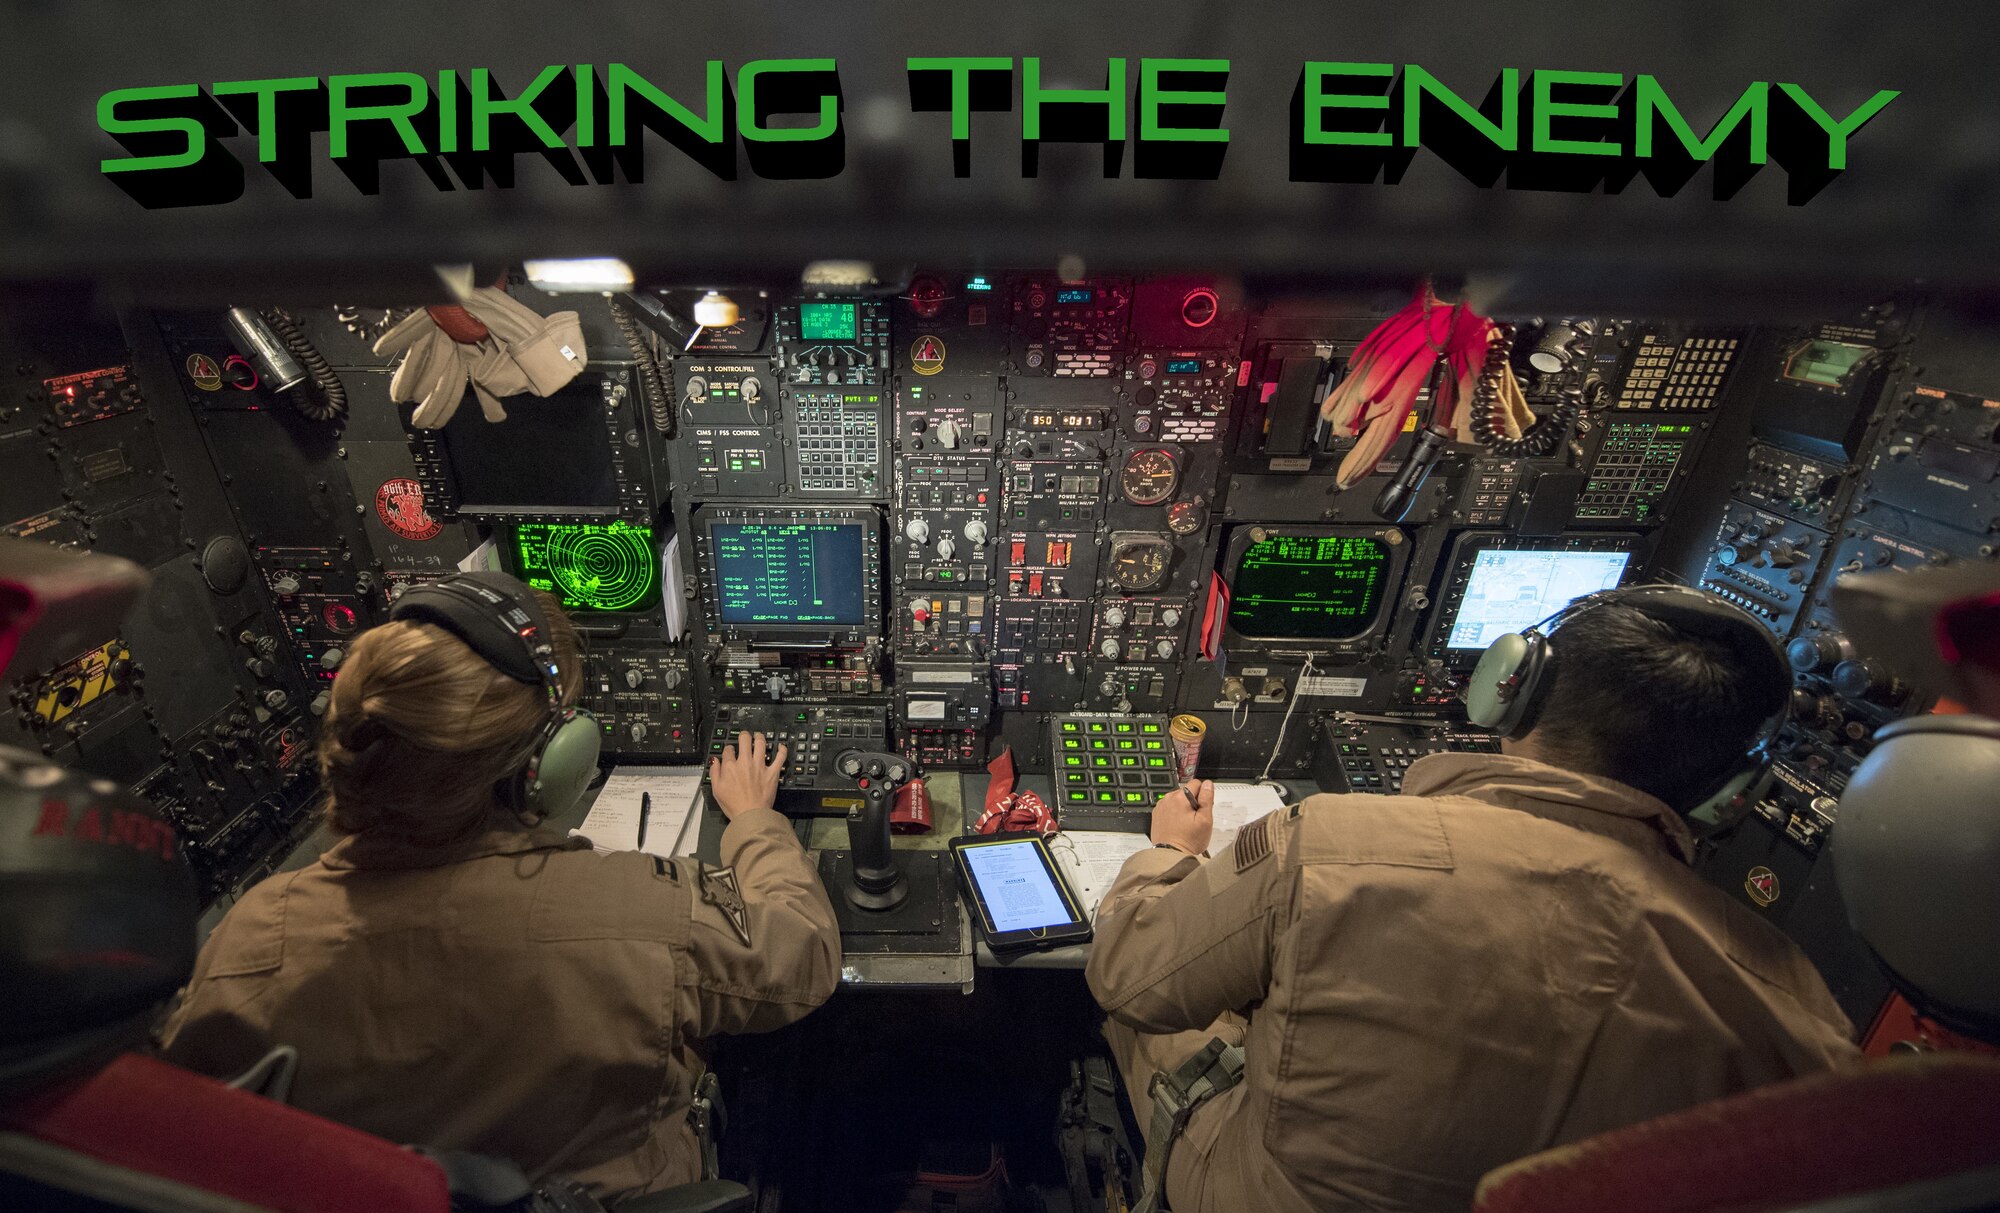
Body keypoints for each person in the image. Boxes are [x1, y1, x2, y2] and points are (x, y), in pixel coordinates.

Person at [1086, 591, 1859, 1213]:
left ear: (1509, 695)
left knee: (1148, 1000)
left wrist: (1174, 856)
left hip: (1262, 1192)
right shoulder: (1801, 1015)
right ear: (1730, 797)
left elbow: (1131, 971)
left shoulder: (1327, 843)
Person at [158, 573, 841, 1202]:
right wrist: (754, 821)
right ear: (546, 763)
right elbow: (804, 954)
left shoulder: (246, 940)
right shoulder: (632, 911)